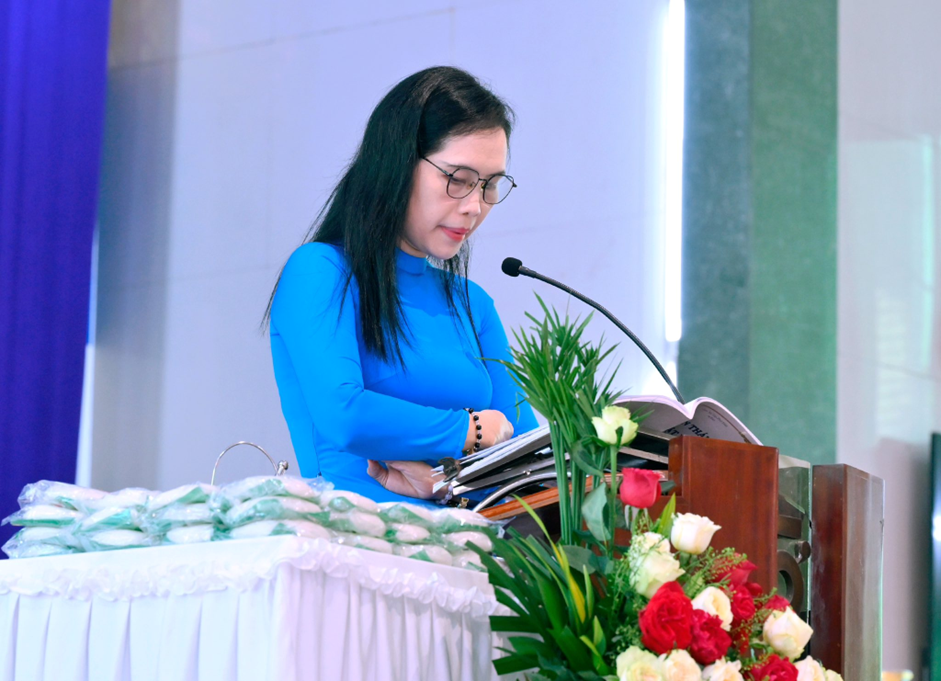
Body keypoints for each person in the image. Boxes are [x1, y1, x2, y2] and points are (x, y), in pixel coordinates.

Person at [266, 66, 539, 506]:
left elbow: (526, 459)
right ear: (397, 164)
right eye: (458, 179)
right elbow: (345, 415)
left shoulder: (473, 304)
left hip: (471, 535)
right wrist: (471, 430)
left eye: (489, 186)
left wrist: (447, 485)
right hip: (354, 536)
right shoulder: (320, 271)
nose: (474, 206)